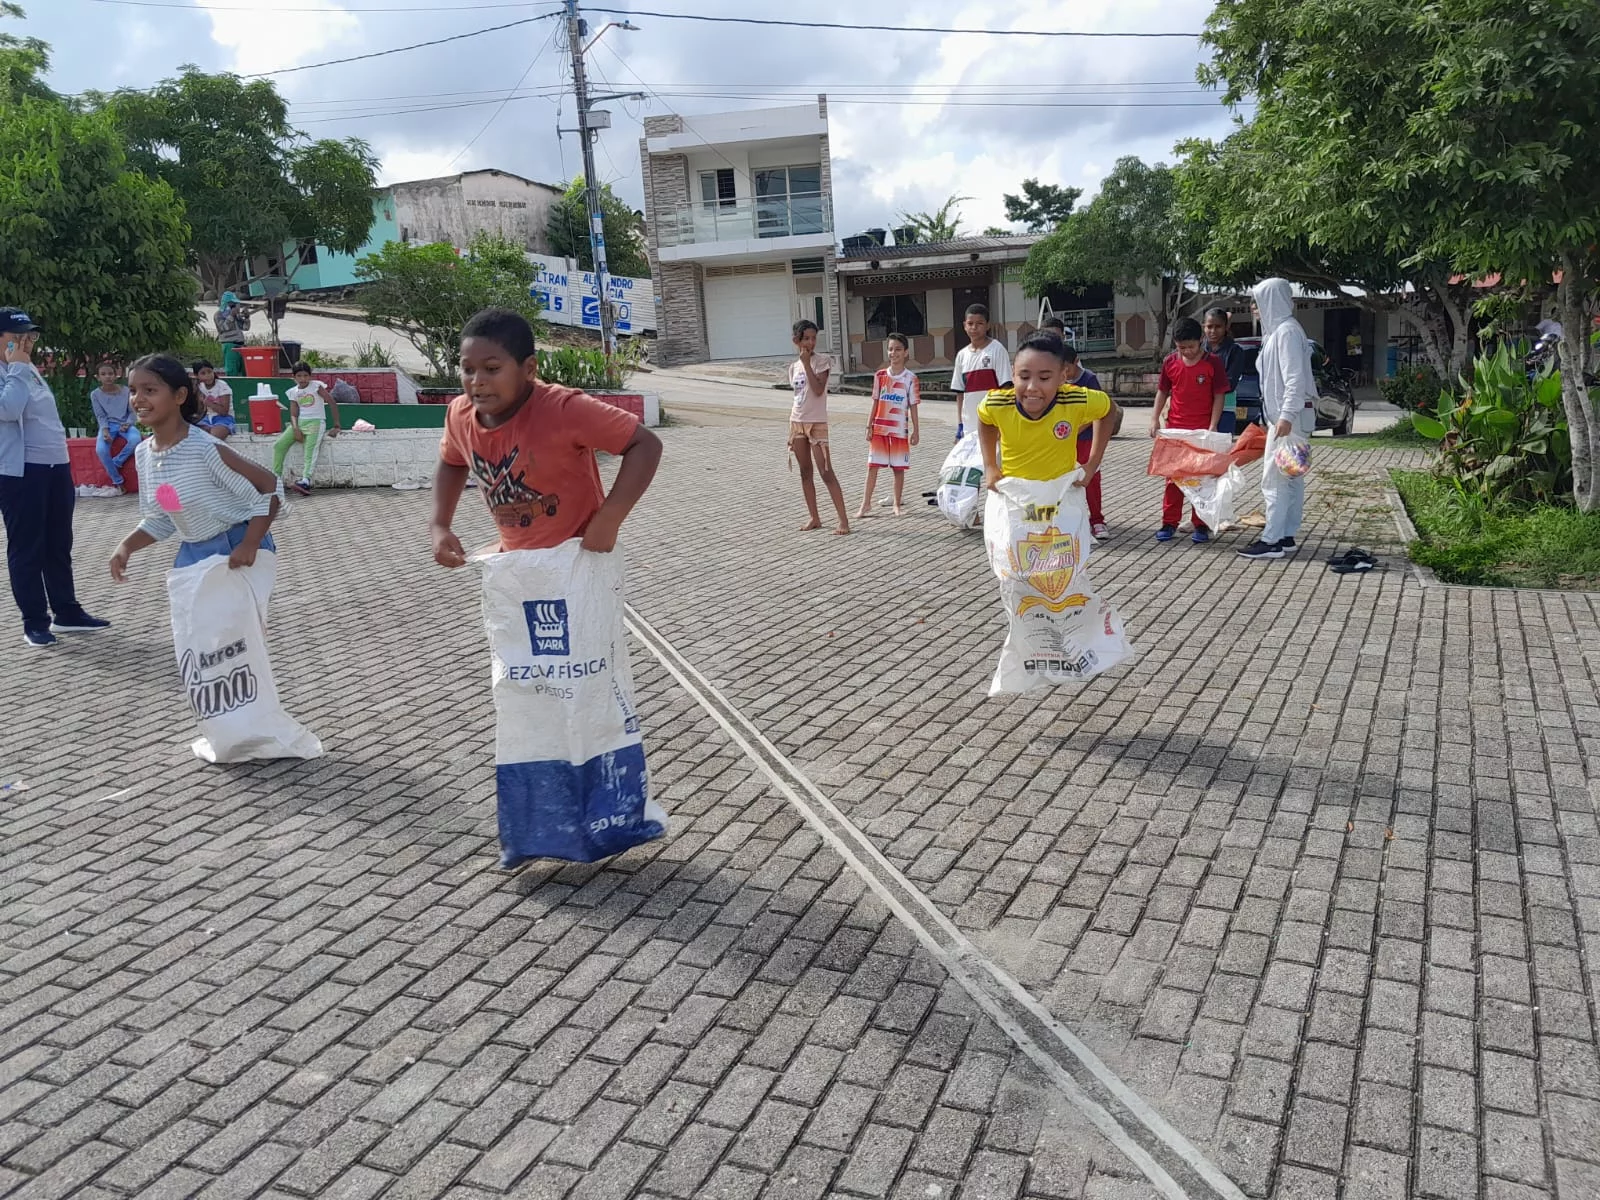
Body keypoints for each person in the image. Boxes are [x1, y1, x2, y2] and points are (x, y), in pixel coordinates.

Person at [430, 307, 662, 564]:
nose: (477, 381)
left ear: (529, 369)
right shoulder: (459, 415)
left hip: (580, 557)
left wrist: (609, 520)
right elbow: (452, 461)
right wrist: (440, 524)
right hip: (517, 561)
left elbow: (645, 444)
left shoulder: (564, 409)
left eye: (492, 368)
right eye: (467, 369)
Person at [109, 355, 282, 581]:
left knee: (229, 617)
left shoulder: (204, 448)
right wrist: (126, 547)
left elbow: (269, 485)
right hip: (193, 553)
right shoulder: (144, 453)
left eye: (149, 390)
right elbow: (163, 517)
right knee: (189, 616)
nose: (137, 399)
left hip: (234, 547)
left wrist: (250, 543)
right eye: (132, 391)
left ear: (179, 395)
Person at [0, 307, 109, 647]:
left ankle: (67, 611)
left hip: (55, 465)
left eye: (29, 336)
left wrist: (21, 365)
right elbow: (9, 410)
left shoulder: (26, 367)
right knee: (28, 547)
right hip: (21, 472)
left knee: (59, 543)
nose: (26, 343)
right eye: (17, 336)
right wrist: (16, 366)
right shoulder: (15, 369)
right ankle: (34, 621)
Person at [978, 330, 1113, 495]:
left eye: (1044, 378)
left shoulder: (1075, 400)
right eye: (1024, 376)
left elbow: (1109, 410)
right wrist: (990, 465)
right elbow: (985, 419)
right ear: (1013, 374)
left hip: (1061, 496)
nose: (1032, 387)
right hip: (1014, 496)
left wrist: (1092, 463)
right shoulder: (998, 403)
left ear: (1062, 377)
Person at [1238, 279, 1316, 561]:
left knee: (1275, 479)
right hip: (1289, 418)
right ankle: (1285, 535)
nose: (1254, 309)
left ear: (1271, 301)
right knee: (1291, 477)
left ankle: (1272, 540)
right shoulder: (1279, 332)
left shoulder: (1286, 332)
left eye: (1257, 302)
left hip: (1289, 421)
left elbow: (1294, 378)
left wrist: (1284, 417)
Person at [1151, 316, 1229, 544]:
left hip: (1202, 430)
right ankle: (1169, 522)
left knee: (1201, 480)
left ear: (1201, 340)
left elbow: (1219, 395)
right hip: (1175, 430)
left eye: (1190, 347)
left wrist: (1213, 425)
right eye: (1181, 347)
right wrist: (1154, 419)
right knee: (1173, 480)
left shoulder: (1212, 363)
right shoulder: (1170, 363)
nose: (1186, 352)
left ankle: (1200, 524)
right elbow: (1163, 391)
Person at [1043, 321, 1116, 539]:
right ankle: (1065, 520)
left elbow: (1100, 413)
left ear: (1075, 362)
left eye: (1068, 368)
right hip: (1062, 440)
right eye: (1060, 369)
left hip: (1084, 438)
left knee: (1090, 478)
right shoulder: (1052, 382)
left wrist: (1074, 429)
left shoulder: (1088, 379)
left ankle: (1097, 520)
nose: (1065, 373)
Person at [788, 319, 850, 535]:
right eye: (806, 338)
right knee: (805, 472)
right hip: (797, 423)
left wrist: (807, 364)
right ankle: (814, 517)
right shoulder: (793, 367)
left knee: (826, 471)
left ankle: (843, 520)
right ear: (796, 340)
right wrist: (801, 364)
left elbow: (817, 390)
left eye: (814, 338)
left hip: (817, 424)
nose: (811, 342)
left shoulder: (822, 362)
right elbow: (799, 395)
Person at [857, 332, 921, 517]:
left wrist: (916, 430)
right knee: (873, 467)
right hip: (880, 429)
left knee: (898, 469)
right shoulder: (880, 376)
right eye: (891, 349)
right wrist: (869, 426)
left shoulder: (911, 379)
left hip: (899, 430)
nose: (894, 353)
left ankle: (897, 504)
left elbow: (913, 406)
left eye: (898, 349)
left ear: (906, 352)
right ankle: (865, 504)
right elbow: (875, 402)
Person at [272, 363, 340, 496]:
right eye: (299, 376)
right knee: (279, 445)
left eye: (305, 375)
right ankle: (276, 479)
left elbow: (331, 402)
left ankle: (305, 481)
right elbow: (293, 413)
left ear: (310, 376)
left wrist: (337, 425)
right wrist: (296, 428)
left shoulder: (316, 386)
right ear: (294, 377)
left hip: (316, 422)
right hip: (300, 423)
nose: (302, 379)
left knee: (310, 451)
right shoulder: (293, 392)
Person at [951, 303, 1011, 441]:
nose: (974, 327)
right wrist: (960, 425)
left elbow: (1006, 388)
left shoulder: (997, 350)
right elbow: (960, 393)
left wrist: (1003, 423)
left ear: (988, 325)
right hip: (969, 427)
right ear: (964, 325)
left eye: (979, 323)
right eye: (970, 323)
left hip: (993, 423)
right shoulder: (962, 355)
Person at [90, 362, 141, 490]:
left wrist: (128, 423)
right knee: (101, 450)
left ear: (116, 375)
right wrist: (105, 430)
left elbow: (133, 410)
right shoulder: (95, 394)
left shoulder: (126, 391)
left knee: (135, 439)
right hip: (108, 425)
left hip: (125, 423)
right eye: (103, 374)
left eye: (110, 374)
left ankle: (117, 462)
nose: (107, 377)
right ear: (98, 377)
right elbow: (100, 415)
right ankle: (117, 481)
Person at [193, 361, 236, 440]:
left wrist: (208, 403)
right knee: (193, 434)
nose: (208, 376)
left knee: (215, 437)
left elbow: (224, 412)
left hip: (223, 418)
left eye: (209, 372)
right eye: (203, 373)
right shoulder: (199, 386)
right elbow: (199, 410)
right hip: (206, 418)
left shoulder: (222, 386)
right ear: (197, 375)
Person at [214, 292, 250, 376]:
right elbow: (223, 328)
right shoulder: (218, 314)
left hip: (241, 344)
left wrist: (246, 318)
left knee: (244, 369)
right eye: (232, 305)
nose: (234, 307)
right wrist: (231, 316)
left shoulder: (236, 315)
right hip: (229, 344)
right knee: (232, 369)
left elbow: (245, 327)